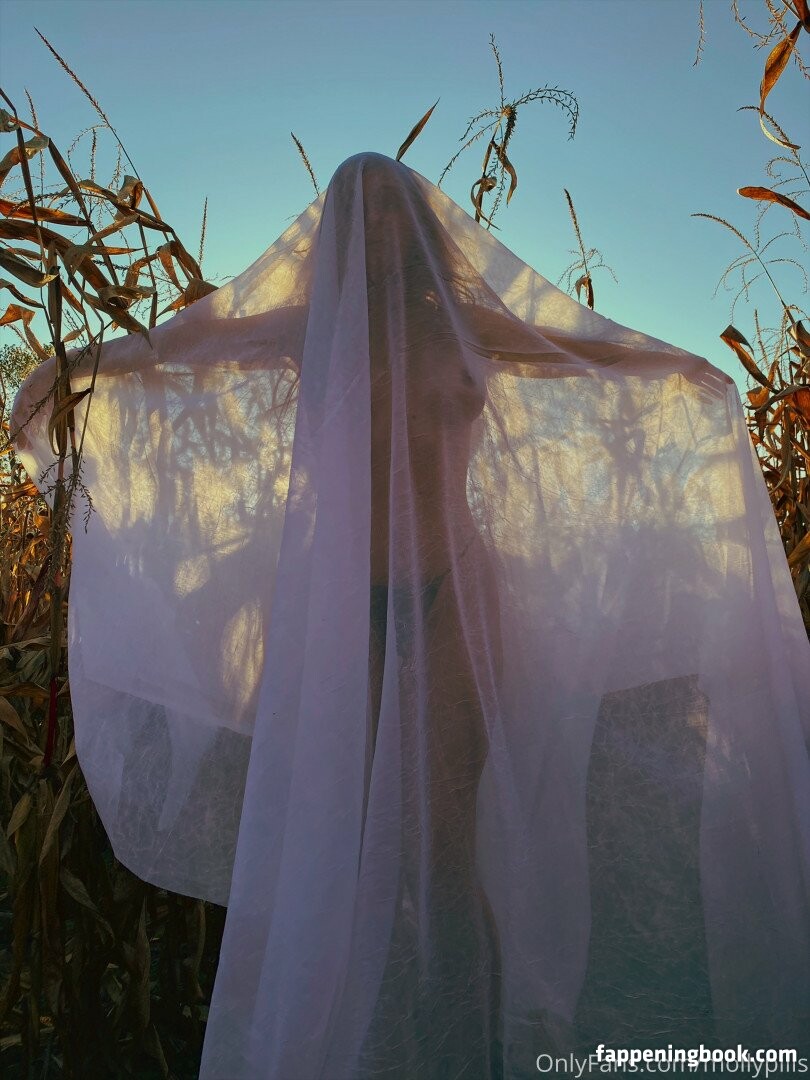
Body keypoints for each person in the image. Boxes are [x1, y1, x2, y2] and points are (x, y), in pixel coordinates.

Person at [10, 151, 810, 1078]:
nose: (379, 230)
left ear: (421, 226)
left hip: (455, 594)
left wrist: (688, 372)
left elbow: (573, 348)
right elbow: (177, 352)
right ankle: (367, 1028)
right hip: (341, 612)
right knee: (349, 842)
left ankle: (465, 1025)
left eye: (393, 211)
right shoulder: (308, 324)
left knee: (447, 844)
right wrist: (61, 376)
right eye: (362, 216)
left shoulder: (460, 320)